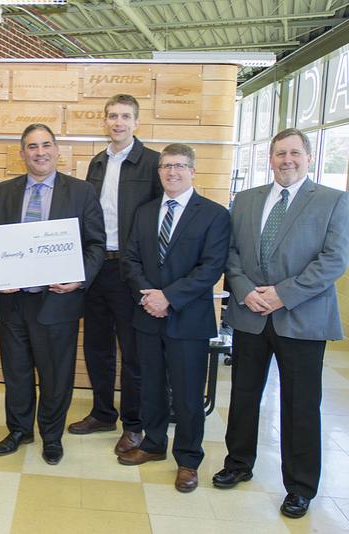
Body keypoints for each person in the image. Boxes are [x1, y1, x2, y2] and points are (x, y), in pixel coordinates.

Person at [212, 128, 349, 518]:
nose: (286, 160)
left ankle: (300, 486)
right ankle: (238, 463)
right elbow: (232, 253)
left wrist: (281, 295)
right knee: (243, 395)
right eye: (279, 154)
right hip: (249, 314)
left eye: (294, 153)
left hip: (302, 319)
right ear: (270, 159)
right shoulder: (246, 201)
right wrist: (244, 289)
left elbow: (333, 261)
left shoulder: (333, 201)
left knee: (300, 404)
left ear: (308, 156)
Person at [0, 124, 105, 465]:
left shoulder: (81, 192)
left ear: (57, 150)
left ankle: (51, 436)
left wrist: (78, 278)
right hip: (13, 300)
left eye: (46, 145)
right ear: (22, 153)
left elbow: (96, 244)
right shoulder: (3, 191)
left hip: (58, 299)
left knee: (56, 374)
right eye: (32, 147)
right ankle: (19, 430)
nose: (40, 152)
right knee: (17, 370)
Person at [119, 143, 230, 492]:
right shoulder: (145, 211)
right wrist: (150, 296)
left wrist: (169, 297)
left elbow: (210, 267)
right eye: (166, 166)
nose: (172, 172)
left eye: (180, 166)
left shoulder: (214, 214)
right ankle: (152, 444)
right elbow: (130, 259)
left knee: (187, 394)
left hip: (189, 320)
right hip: (148, 315)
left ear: (193, 171)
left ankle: (187, 459)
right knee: (150, 387)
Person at [68, 94, 162, 456]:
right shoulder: (96, 162)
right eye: (112, 116)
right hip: (96, 267)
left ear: (136, 122)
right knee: (97, 346)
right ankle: (103, 413)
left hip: (130, 271)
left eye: (125, 116)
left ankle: (134, 425)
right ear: (104, 122)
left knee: (133, 352)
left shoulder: (152, 163)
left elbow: (156, 221)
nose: (118, 122)